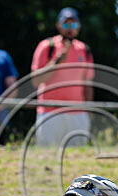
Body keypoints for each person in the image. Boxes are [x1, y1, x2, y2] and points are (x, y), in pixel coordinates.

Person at [30, 7, 95, 147]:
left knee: (77, 158)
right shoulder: (47, 46)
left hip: (78, 114)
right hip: (49, 112)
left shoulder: (85, 50)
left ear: (79, 27)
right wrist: (56, 62)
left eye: (74, 24)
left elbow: (87, 85)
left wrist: (88, 112)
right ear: (58, 26)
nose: (70, 28)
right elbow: (36, 80)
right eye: (66, 24)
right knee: (47, 156)